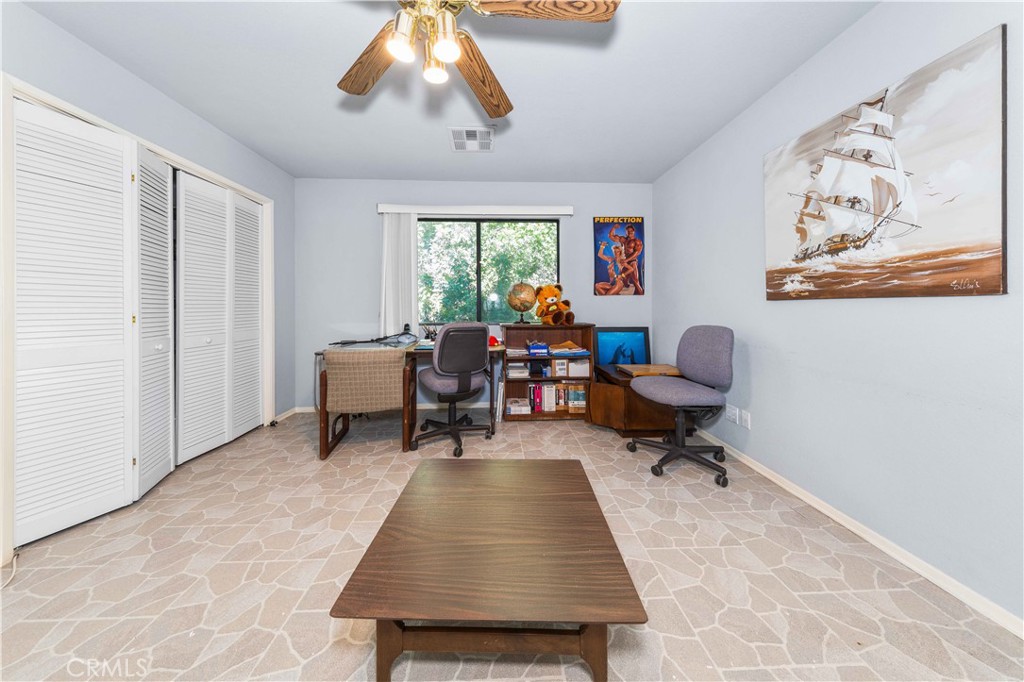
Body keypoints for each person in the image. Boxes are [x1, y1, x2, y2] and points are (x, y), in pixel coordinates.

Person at [608, 224, 644, 295]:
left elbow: (637, 253)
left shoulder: (637, 241)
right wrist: (614, 228)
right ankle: (628, 288)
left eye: (631, 231)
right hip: (625, 262)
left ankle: (640, 294)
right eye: (628, 231)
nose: (630, 232)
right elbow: (611, 236)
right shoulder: (624, 240)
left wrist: (626, 260)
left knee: (635, 281)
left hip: (632, 262)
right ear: (626, 232)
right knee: (623, 279)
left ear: (634, 231)